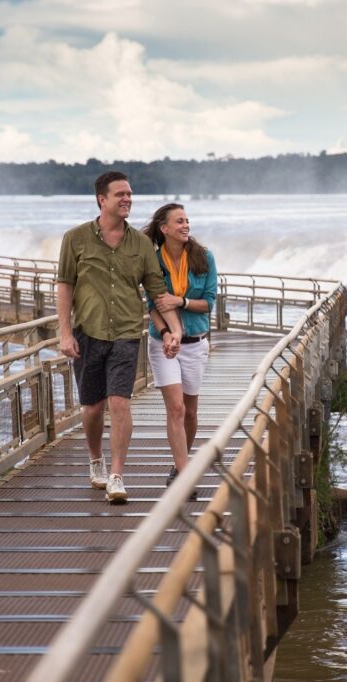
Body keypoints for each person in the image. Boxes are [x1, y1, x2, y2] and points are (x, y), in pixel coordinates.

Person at [56, 171, 182, 504]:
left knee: (119, 403)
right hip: (88, 332)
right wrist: (65, 332)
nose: (127, 199)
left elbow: (157, 291)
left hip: (126, 333)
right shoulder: (75, 239)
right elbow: (65, 285)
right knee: (93, 408)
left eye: (130, 194)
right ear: (102, 199)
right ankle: (95, 460)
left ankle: (116, 475)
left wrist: (173, 330)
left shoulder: (141, 244)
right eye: (120, 195)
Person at [143, 203, 218, 499]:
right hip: (163, 344)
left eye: (187, 221)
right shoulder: (153, 261)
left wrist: (181, 302)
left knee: (190, 413)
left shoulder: (204, 257)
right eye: (179, 221)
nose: (185, 225)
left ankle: (178, 466)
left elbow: (208, 302)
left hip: (196, 343)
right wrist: (166, 333)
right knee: (176, 408)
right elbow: (154, 305)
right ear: (164, 229)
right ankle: (185, 474)